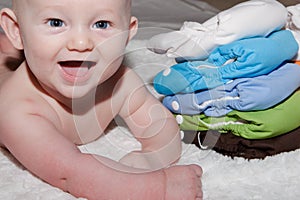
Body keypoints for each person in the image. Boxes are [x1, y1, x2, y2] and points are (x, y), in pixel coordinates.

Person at [0, 0, 203, 199]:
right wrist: (159, 188)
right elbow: (71, 173)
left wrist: (152, 157)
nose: (81, 43)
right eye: (56, 22)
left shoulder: (120, 83)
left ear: (127, 34)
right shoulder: (17, 111)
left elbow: (160, 124)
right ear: (16, 30)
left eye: (101, 24)